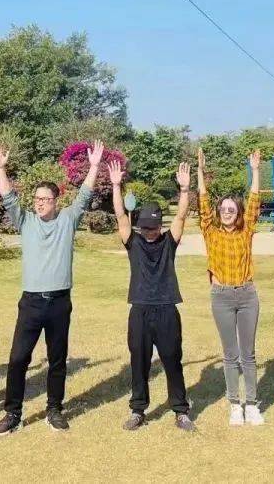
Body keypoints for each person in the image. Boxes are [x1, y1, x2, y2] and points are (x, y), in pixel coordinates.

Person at [0, 141, 105, 436]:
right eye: (37, 198)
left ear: (56, 200)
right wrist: (1, 168)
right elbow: (8, 198)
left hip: (59, 303)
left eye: (46, 198)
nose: (40, 202)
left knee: (57, 359)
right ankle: (12, 413)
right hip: (30, 303)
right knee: (18, 358)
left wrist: (93, 166)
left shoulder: (68, 219)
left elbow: (85, 195)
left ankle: (54, 409)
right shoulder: (26, 221)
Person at [110, 159, 195, 432]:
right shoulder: (132, 242)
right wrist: (115, 185)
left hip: (167, 309)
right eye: (145, 228)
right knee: (139, 362)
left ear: (160, 225)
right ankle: (138, 410)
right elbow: (121, 217)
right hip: (140, 310)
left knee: (172, 359)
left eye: (153, 227)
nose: (149, 232)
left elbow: (181, 217)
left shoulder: (169, 243)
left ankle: (181, 411)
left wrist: (184, 191)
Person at [196, 146, 262, 426]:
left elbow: (255, 200)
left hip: (247, 295)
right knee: (230, 354)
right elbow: (202, 203)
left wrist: (256, 171)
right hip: (221, 297)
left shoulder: (246, 231)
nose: (226, 213)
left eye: (231, 210)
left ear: (238, 213)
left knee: (248, 354)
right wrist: (200, 172)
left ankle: (252, 405)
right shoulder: (210, 232)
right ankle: (235, 403)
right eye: (222, 209)